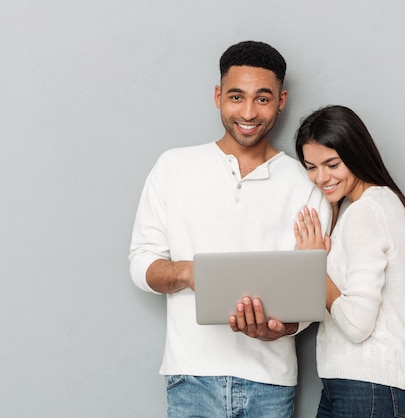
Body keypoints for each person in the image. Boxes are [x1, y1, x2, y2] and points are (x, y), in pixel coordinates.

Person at [128, 41, 331, 417]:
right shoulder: (174, 168)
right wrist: (189, 272)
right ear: (218, 96)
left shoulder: (305, 182)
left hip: (270, 382)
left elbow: (312, 287)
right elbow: (142, 263)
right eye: (236, 97)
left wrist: (283, 328)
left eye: (263, 99)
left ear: (282, 101)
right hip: (191, 378)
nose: (249, 112)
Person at [293, 105, 405, 417]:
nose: (321, 178)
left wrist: (314, 265)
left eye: (332, 164)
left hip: (370, 386)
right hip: (353, 384)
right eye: (311, 167)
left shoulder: (367, 211)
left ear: (356, 153)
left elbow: (356, 325)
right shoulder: (370, 206)